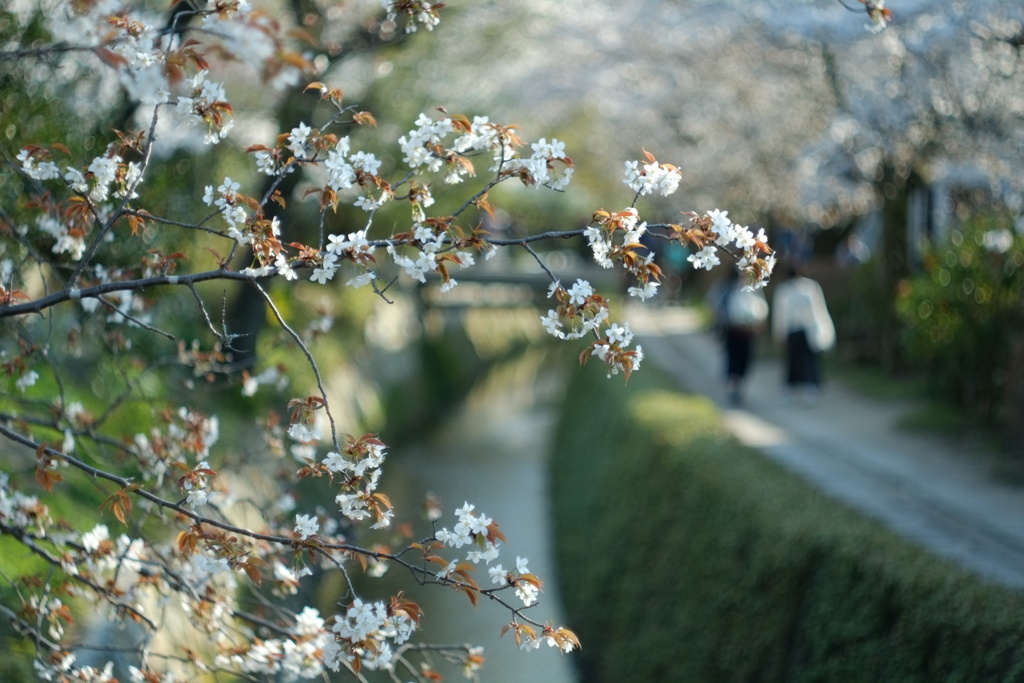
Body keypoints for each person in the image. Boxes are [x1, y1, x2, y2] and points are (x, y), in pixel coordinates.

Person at [771, 265, 835, 404]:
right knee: (803, 360)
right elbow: (819, 309)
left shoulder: (788, 289)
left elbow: (780, 314)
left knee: (798, 360)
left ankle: (799, 388)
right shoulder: (810, 287)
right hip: (804, 330)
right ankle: (805, 387)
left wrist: (779, 333)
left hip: (799, 330)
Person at [711, 270, 769, 406]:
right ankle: (732, 384)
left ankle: (739, 384)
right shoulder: (729, 288)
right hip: (733, 331)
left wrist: (759, 323)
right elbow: (719, 306)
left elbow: (761, 308)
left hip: (748, 333)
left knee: (745, 359)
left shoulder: (755, 289)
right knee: (732, 357)